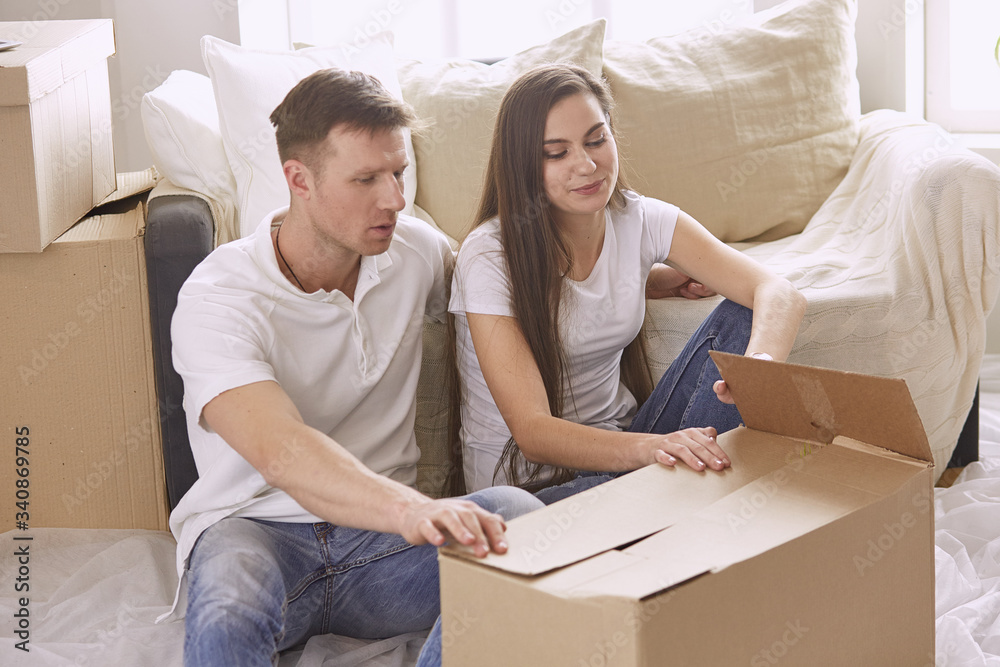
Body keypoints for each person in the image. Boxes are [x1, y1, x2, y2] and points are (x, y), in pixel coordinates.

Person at [160, 68, 543, 667]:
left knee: (519, 518)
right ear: (298, 180)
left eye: (398, 173)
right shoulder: (219, 297)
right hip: (259, 530)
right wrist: (411, 510)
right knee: (229, 605)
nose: (393, 198)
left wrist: (655, 278)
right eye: (365, 178)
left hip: (384, 556)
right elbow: (281, 451)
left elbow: (500, 277)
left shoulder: (413, 251)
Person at [450, 63, 807, 501]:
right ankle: (684, 501)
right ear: (522, 164)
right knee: (662, 503)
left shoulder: (640, 218)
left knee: (743, 314)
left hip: (631, 458)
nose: (586, 164)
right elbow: (534, 432)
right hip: (533, 492)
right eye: (556, 152)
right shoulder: (489, 253)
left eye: (597, 139)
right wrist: (657, 449)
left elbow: (777, 292)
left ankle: (680, 499)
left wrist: (760, 369)